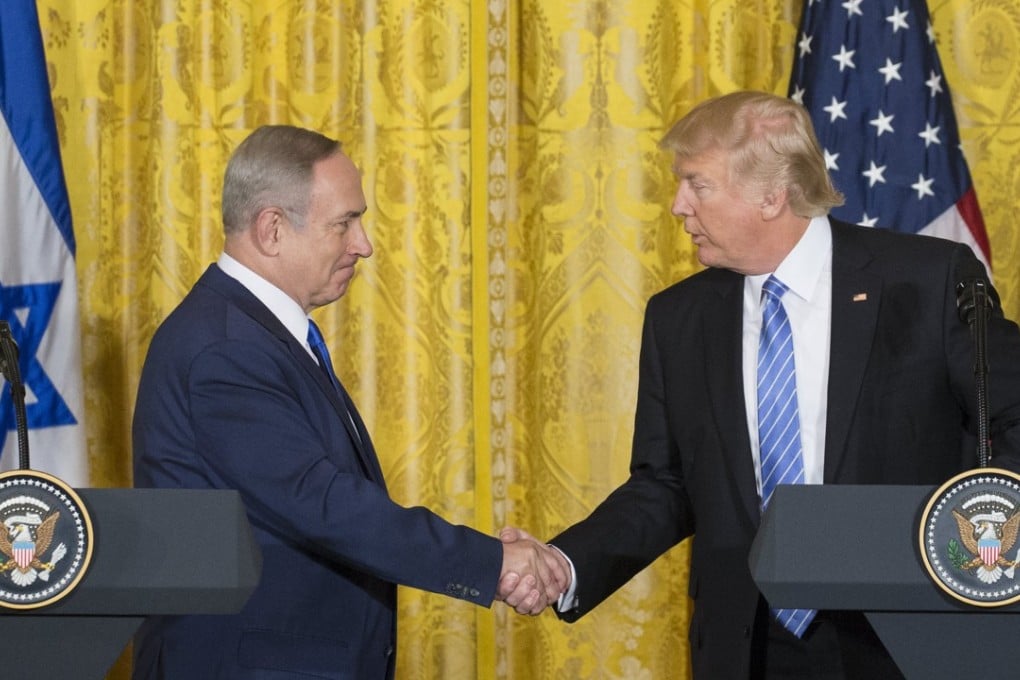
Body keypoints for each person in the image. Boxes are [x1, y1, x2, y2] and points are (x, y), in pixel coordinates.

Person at [499, 91, 1020, 678]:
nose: (677, 206)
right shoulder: (679, 318)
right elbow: (665, 485)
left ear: (772, 194)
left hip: (904, 640)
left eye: (697, 184)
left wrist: (978, 545)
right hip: (747, 649)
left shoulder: (929, 280)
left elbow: (1011, 423)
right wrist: (567, 564)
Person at [132, 125, 566, 680]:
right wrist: (494, 563)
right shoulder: (224, 348)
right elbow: (324, 504)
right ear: (272, 229)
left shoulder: (253, 331)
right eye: (345, 223)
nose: (364, 243)